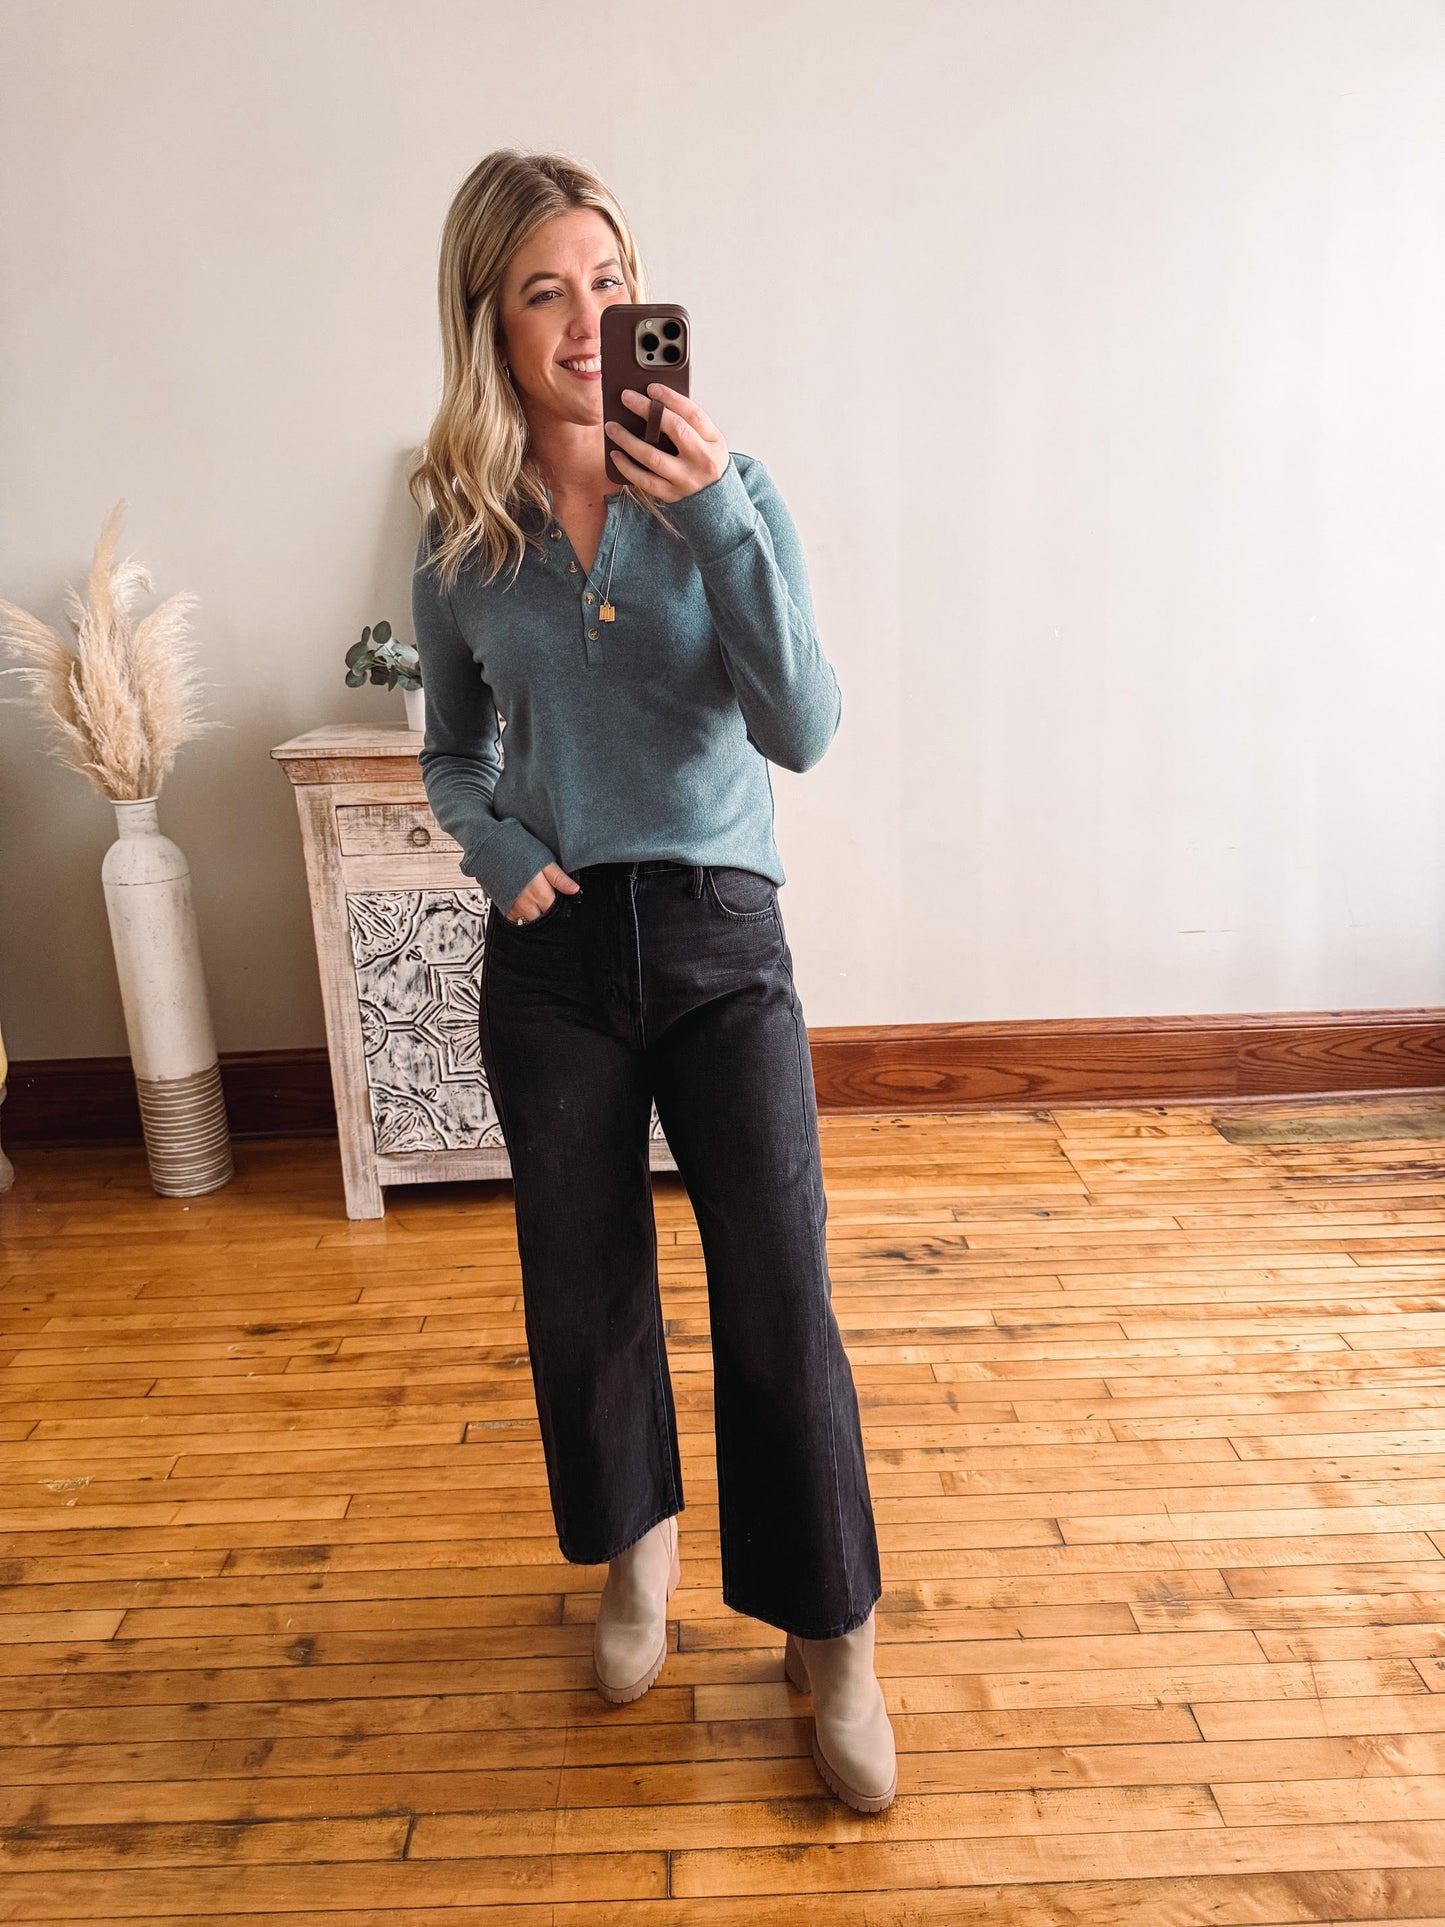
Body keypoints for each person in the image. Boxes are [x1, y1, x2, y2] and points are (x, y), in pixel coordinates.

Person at [408, 148, 896, 1814]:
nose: (586, 317)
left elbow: (804, 729)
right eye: (545, 288)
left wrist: (715, 520)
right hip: (550, 962)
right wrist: (495, 856)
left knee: (778, 1291)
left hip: (715, 933)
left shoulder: (729, 486)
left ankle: (831, 1633)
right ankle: (636, 1562)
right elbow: (452, 756)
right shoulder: (461, 534)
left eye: (609, 282)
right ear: (489, 315)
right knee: (585, 1286)